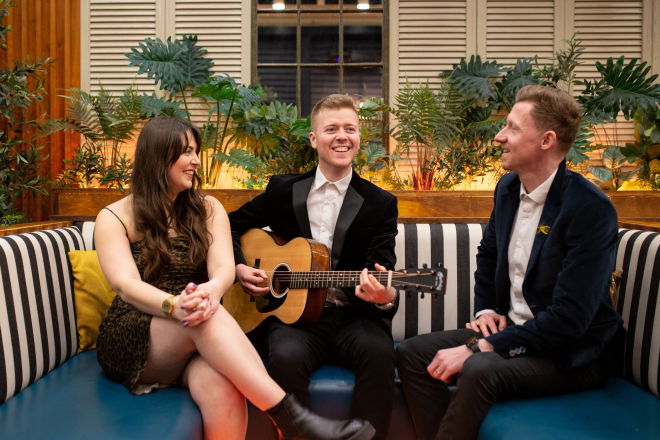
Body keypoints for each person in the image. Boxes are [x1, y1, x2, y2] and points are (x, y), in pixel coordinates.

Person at [94, 116, 375, 440]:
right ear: (159, 155)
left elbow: (224, 269)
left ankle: (294, 422)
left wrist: (211, 292)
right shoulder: (114, 216)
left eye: (196, 151)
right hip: (138, 331)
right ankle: (294, 421)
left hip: (198, 324)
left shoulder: (208, 209)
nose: (196, 161)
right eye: (187, 152)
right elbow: (125, 285)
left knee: (224, 392)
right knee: (205, 316)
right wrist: (175, 305)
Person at [395, 85, 624, 440]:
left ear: (546, 140)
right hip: (515, 329)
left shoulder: (590, 209)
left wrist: (480, 346)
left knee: (479, 367)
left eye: (513, 128)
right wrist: (486, 309)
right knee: (412, 353)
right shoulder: (507, 188)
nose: (499, 136)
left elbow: (570, 320)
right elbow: (488, 254)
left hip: (573, 352)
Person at [229, 94, 399, 439]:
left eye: (350, 129)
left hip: (354, 317)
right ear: (313, 138)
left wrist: (385, 299)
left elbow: (382, 269)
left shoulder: (380, 203)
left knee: (380, 354)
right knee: (285, 356)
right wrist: (239, 266)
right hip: (294, 320)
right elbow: (229, 224)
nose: (342, 136)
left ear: (359, 137)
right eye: (331, 129)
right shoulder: (283, 190)